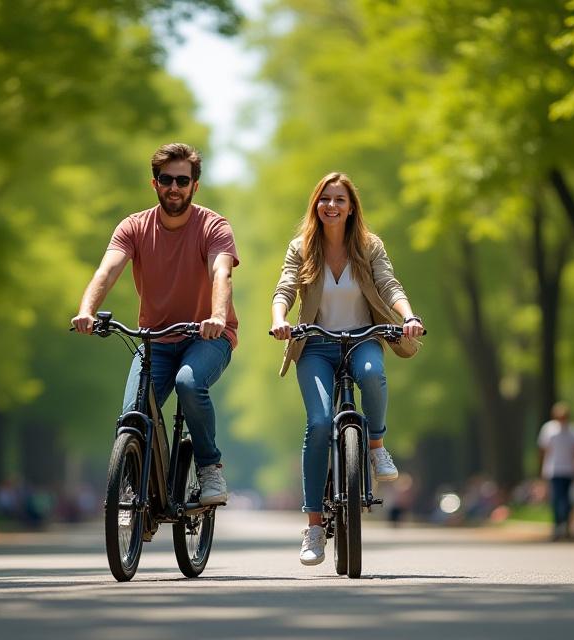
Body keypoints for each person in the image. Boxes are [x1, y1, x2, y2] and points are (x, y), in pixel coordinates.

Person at [71, 142, 239, 505]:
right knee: (132, 414)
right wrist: (87, 309)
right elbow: (108, 270)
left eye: (182, 180)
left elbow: (221, 272)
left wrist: (217, 316)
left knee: (189, 383)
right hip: (155, 340)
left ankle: (210, 468)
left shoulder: (213, 226)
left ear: (195, 185)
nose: (174, 187)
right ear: (155, 183)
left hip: (207, 337)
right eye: (167, 179)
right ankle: (139, 489)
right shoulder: (133, 227)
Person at [270, 172, 423, 565]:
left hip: (363, 338)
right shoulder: (301, 248)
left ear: (351, 206)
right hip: (315, 345)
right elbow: (285, 287)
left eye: (339, 199)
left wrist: (407, 317)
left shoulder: (369, 246)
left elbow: (390, 285)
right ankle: (315, 528)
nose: (332, 206)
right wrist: (280, 318)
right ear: (316, 206)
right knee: (319, 424)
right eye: (325, 199)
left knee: (372, 374)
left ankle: (375, 446)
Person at [537, 401, 574, 540]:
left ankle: (566, 524)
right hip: (554, 469)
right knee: (556, 498)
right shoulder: (549, 429)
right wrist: (542, 467)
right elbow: (544, 450)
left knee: (568, 499)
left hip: (569, 469)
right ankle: (557, 525)